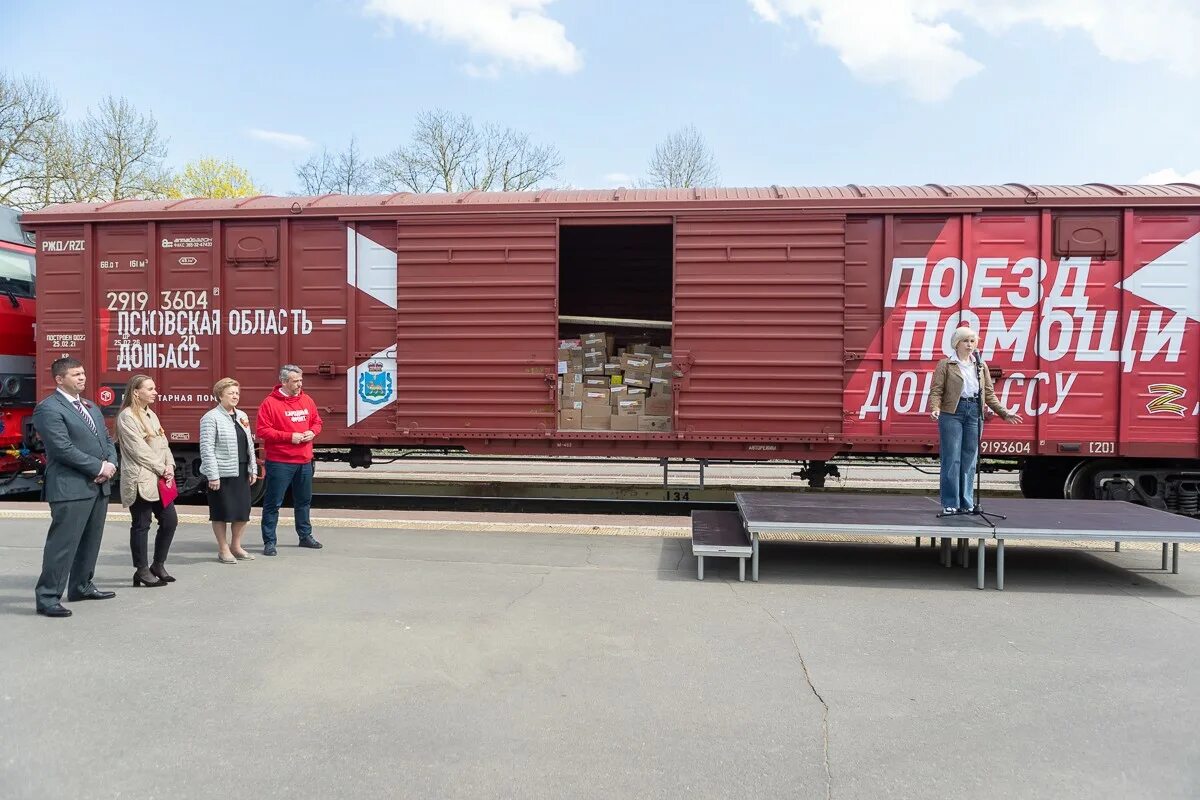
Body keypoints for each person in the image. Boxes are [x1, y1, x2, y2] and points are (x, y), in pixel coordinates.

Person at [32, 357, 119, 618]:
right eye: (75, 374)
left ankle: (81, 585)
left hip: (97, 487)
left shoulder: (90, 407)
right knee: (63, 544)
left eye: (83, 373)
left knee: (90, 540)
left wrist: (111, 463)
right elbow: (62, 449)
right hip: (70, 487)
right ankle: (48, 597)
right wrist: (98, 467)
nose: (82, 378)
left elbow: (106, 437)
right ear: (59, 379)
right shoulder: (48, 409)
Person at [928, 326, 1024, 515]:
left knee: (970, 459)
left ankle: (966, 502)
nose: (970, 345)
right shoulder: (945, 365)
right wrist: (935, 409)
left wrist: (1004, 413)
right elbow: (936, 390)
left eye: (973, 341)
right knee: (952, 459)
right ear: (957, 343)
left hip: (974, 412)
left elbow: (988, 393)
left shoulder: (980, 366)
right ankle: (950, 503)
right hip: (952, 412)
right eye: (966, 341)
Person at [115, 374, 177, 587]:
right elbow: (138, 450)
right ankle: (141, 569)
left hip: (159, 477)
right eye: (150, 389)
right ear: (136, 392)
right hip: (141, 478)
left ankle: (158, 564)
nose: (155, 392)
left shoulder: (151, 414)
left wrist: (170, 465)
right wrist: (162, 467)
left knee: (170, 520)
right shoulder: (127, 417)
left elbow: (163, 442)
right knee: (141, 524)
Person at [256, 364, 323, 556]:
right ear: (284, 382)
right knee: (273, 503)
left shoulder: (307, 400)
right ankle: (269, 541)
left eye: (301, 380)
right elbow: (263, 431)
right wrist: (289, 437)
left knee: (303, 501)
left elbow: (317, 421)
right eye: (296, 381)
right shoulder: (269, 403)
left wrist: (312, 432)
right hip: (280, 462)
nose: (300, 384)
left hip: (304, 461)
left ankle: (305, 536)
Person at [199, 378, 258, 564]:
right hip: (222, 472)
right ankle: (223, 549)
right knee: (221, 512)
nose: (235, 396)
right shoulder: (210, 417)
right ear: (219, 395)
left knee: (242, 512)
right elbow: (206, 448)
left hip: (241, 470)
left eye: (237, 393)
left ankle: (236, 546)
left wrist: (252, 468)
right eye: (231, 393)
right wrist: (213, 475)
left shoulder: (242, 416)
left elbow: (249, 444)